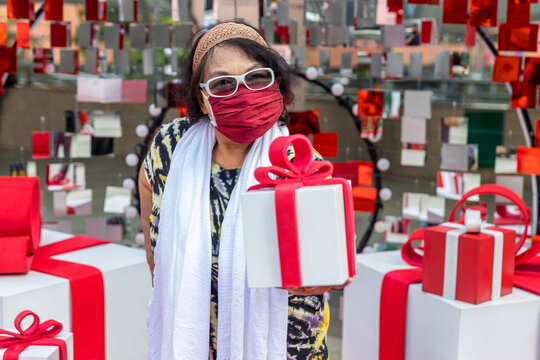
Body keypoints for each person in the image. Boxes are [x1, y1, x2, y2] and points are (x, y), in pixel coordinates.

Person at [139, 20, 352, 360]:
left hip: (283, 345)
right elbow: (156, 250)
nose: (243, 92)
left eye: (256, 78)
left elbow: (336, 260)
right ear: (203, 99)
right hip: (191, 343)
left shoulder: (297, 159)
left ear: (277, 84)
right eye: (223, 84)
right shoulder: (169, 147)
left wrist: (325, 277)